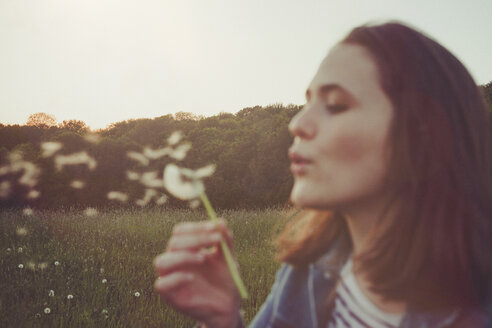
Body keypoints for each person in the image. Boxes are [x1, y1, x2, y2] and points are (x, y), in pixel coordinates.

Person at [153, 21, 492, 327]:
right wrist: (222, 320)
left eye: (336, 105)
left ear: (424, 135)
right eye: (307, 101)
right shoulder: (313, 263)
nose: (297, 123)